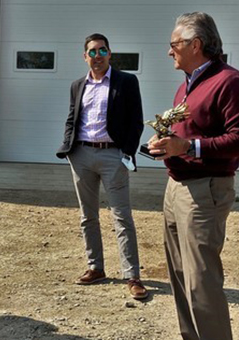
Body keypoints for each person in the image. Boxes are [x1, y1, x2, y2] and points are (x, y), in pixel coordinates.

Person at [148, 12, 239, 340]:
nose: (169, 52)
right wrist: (165, 144)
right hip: (177, 187)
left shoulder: (229, 82)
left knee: (201, 283)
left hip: (204, 191)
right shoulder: (187, 85)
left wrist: (188, 146)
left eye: (174, 44)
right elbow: (186, 133)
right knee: (180, 277)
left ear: (196, 44)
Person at [56, 33, 147, 300]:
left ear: (110, 54)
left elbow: (136, 121)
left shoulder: (126, 82)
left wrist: (127, 153)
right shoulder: (77, 85)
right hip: (81, 155)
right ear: (85, 57)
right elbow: (72, 119)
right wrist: (68, 148)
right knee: (88, 216)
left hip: (112, 157)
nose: (97, 56)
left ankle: (132, 276)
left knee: (121, 217)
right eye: (92, 52)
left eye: (102, 50)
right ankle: (95, 267)